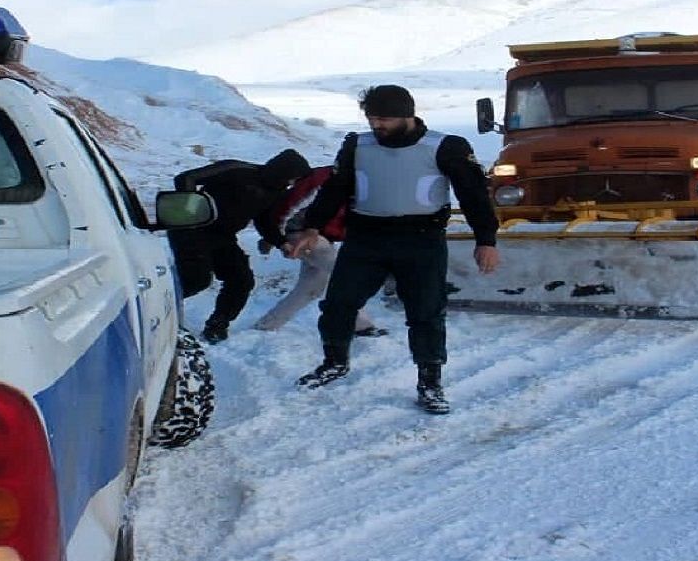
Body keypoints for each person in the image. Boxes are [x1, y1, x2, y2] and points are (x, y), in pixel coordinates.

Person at [286, 84, 500, 414]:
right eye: (372, 118)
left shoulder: (445, 147)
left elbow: (473, 196)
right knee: (339, 304)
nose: (376, 125)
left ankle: (430, 382)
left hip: (421, 240)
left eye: (383, 119)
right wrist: (312, 227)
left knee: (426, 313)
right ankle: (335, 361)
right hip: (366, 238)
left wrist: (485, 240)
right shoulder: (358, 146)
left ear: (407, 115)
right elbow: (335, 188)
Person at [168, 148, 311, 342]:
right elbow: (186, 179)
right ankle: (157, 306)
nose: (292, 183)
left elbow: (264, 221)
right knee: (196, 279)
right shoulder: (236, 169)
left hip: (223, 236)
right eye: (293, 178)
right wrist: (191, 211)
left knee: (241, 280)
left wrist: (281, 243)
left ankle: (217, 325)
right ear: (283, 171)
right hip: (192, 230)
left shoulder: (276, 192)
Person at [252, 165, 384, 336]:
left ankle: (266, 326)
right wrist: (277, 239)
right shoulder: (325, 179)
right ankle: (360, 325)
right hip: (299, 234)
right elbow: (289, 206)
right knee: (345, 275)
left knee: (310, 288)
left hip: (322, 237)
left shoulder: (367, 182)